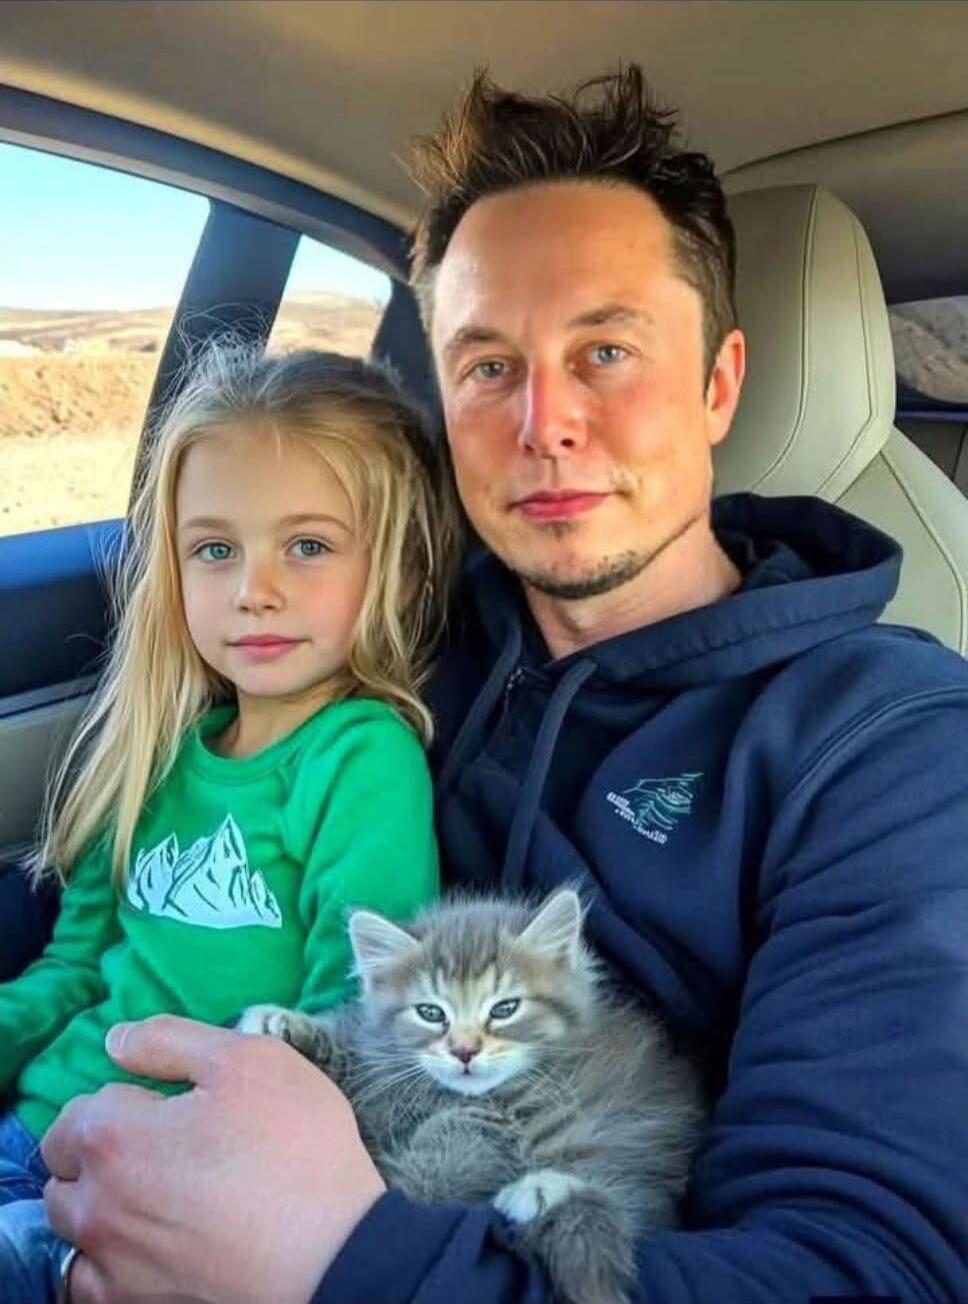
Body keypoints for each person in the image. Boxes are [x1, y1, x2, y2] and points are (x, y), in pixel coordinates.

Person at [13, 67, 968, 1304]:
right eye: (486, 366)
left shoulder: (886, 748)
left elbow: (867, 1265)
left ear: (717, 384)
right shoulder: (386, 621)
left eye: (605, 351)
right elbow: (167, 884)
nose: (543, 422)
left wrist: (333, 1263)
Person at [0, 345, 458, 1301]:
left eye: (308, 546)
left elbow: (350, 1016)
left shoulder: (361, 759)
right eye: (215, 550)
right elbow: (75, 967)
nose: (255, 588)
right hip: (35, 1127)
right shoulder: (161, 753)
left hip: (163, 1182)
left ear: (403, 569)